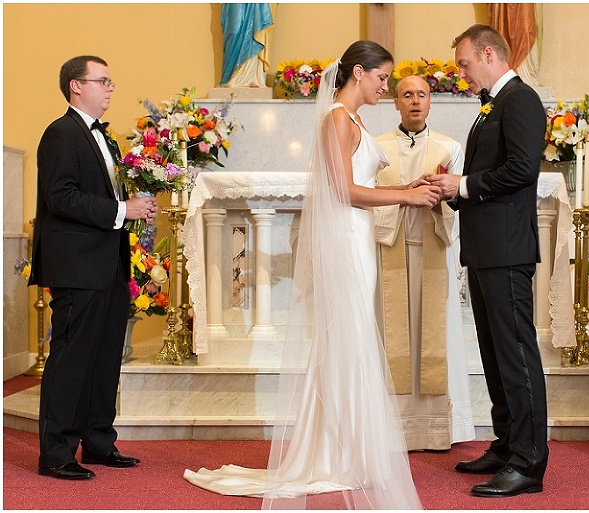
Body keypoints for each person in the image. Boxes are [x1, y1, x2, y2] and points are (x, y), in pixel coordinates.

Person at [183, 41, 440, 509]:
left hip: (357, 236)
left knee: (351, 339)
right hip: (345, 236)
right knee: (346, 338)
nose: (387, 87)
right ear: (358, 72)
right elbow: (342, 190)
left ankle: (342, 447)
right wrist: (405, 195)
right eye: (382, 78)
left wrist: (409, 187)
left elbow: (360, 183)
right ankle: (332, 451)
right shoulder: (338, 119)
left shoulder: (355, 119)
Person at [425, 24, 548, 498]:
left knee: (516, 354)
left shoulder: (520, 100)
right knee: (496, 357)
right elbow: (490, 173)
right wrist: (452, 185)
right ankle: (507, 442)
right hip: (485, 249)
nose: (460, 73)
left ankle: (529, 461)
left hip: (508, 250)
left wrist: (465, 185)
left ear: (489, 53)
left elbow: (523, 168)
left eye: (464, 63)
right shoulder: (491, 106)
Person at [30, 55, 156, 480]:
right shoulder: (61, 133)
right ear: (75, 87)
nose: (110, 88)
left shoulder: (108, 140)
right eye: (102, 81)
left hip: (107, 263)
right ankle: (56, 452)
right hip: (76, 265)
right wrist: (123, 208)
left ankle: (98, 442)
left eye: (110, 80)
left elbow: (99, 198)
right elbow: (60, 197)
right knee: (71, 359)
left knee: (105, 359)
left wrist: (133, 209)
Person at [374, 74, 475, 451]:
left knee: (438, 333)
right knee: (392, 333)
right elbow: (366, 194)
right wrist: (405, 194)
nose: (415, 101)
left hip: (434, 245)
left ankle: (437, 429)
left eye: (422, 94)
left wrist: (440, 197)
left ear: (431, 102)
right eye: (407, 95)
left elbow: (459, 200)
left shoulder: (449, 148)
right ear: (396, 103)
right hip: (391, 247)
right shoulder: (377, 147)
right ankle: (392, 428)